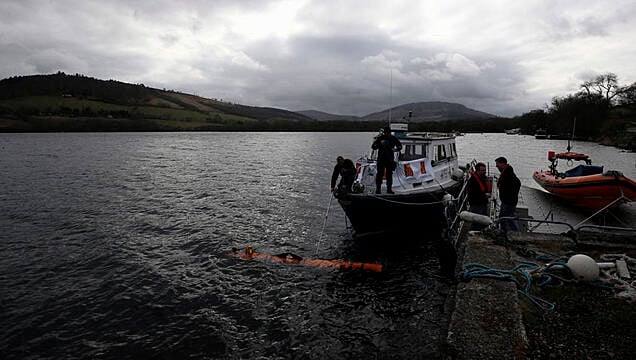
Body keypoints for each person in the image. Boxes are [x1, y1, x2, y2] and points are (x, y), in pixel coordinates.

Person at [371, 126, 402, 194]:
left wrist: (395, 149)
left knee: (389, 175)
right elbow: (373, 147)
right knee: (379, 174)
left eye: (388, 133)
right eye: (386, 133)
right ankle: (378, 190)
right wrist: (379, 143)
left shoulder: (393, 138)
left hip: (389, 159)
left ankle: (389, 189)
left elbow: (400, 146)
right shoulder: (380, 138)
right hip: (381, 159)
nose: (387, 134)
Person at [495, 156, 521, 232]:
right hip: (507, 201)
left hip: (508, 202)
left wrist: (510, 196)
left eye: (497, 164)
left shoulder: (508, 174)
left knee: (508, 218)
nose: (496, 166)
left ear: (503, 164)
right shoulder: (506, 172)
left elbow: (518, 183)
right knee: (504, 217)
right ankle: (504, 231)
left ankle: (516, 233)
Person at [466, 162, 491, 230]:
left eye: (485, 170)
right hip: (476, 205)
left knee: (483, 222)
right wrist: (484, 195)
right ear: (477, 171)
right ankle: (473, 235)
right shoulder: (472, 181)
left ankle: (481, 233)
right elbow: (472, 194)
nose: (484, 172)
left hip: (483, 204)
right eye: (482, 170)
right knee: (475, 223)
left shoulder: (483, 179)